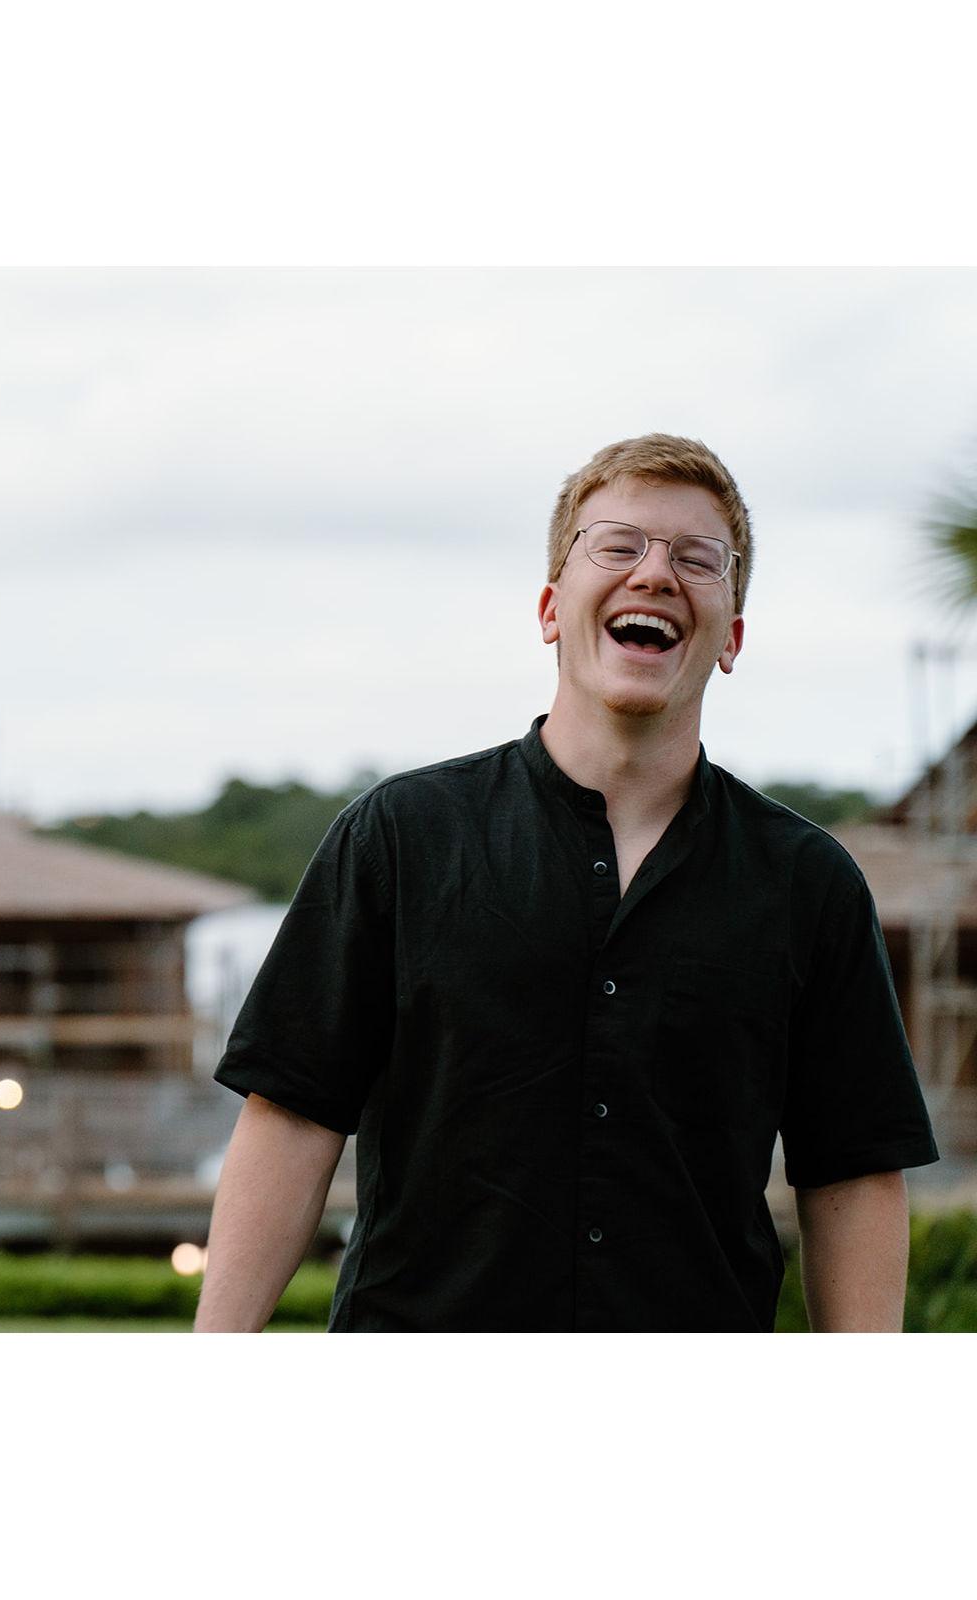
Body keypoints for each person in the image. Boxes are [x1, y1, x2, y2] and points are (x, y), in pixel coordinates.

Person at [196, 434, 939, 1333]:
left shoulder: (810, 884)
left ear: (732, 637)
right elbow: (292, 1117)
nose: (655, 574)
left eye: (697, 559)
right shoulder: (398, 837)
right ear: (552, 610)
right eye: (618, 546)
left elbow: (854, 1171)